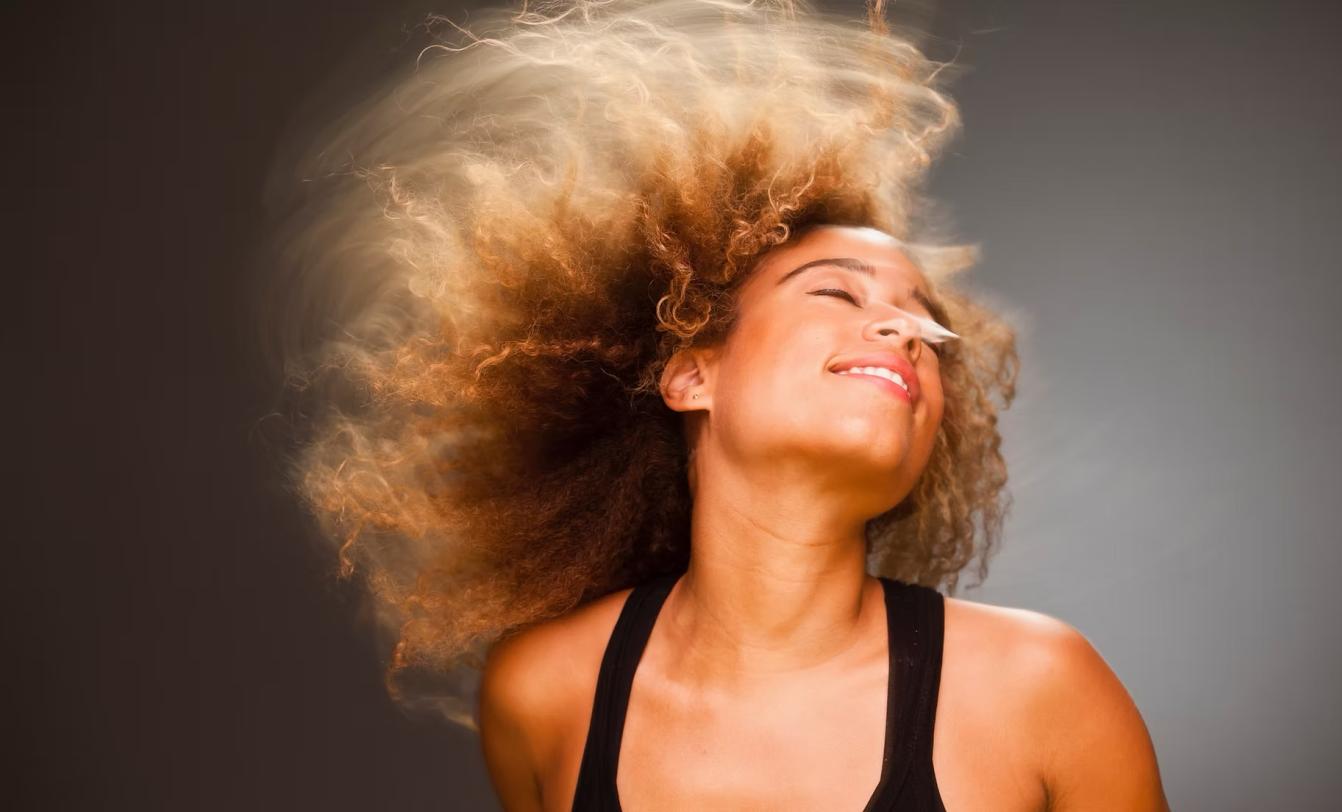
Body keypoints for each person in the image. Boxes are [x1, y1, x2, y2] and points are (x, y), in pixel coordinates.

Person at [268, 0, 1169, 809]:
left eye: (925, 324)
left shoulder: (1042, 689)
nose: (906, 331)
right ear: (691, 374)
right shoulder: (543, 694)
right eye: (837, 292)